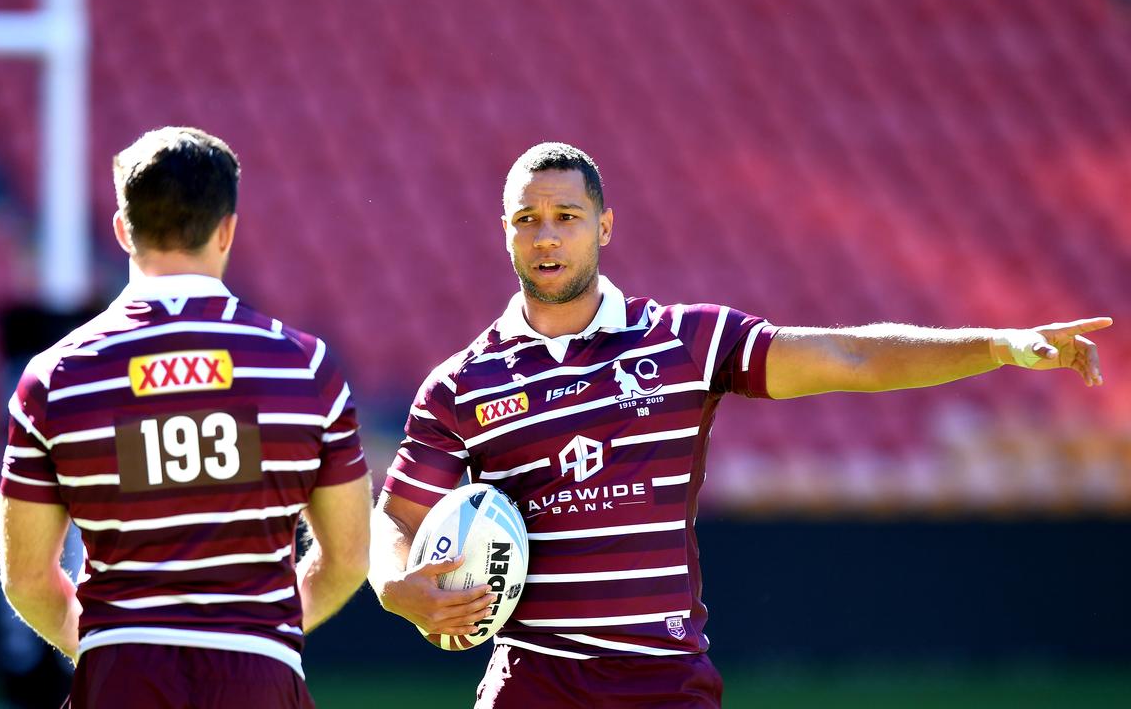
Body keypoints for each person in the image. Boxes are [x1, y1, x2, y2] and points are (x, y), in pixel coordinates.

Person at [368, 142, 1110, 707]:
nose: (548, 236)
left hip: (665, 684)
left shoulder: (686, 342)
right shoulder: (462, 383)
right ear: (504, 231)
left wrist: (1000, 345)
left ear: (605, 225)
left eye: (567, 216)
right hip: (534, 685)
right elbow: (394, 520)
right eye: (529, 220)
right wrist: (396, 587)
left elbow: (846, 356)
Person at [0, 127, 371, 708]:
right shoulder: (306, 368)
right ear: (228, 229)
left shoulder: (53, 378)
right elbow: (347, 558)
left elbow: (25, 578)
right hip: (260, 679)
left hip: (119, 676)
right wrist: (267, 636)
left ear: (122, 230)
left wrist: (104, 644)